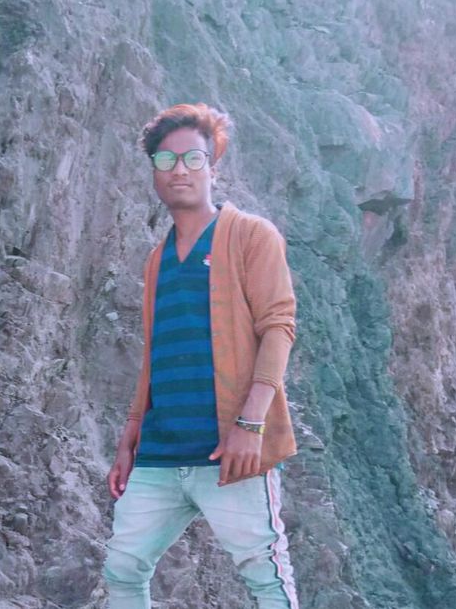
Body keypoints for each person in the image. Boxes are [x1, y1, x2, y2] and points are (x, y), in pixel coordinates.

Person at [103, 102, 299, 608]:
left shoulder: (250, 235)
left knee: (265, 575)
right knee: (122, 568)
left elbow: (278, 328)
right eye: (165, 160)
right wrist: (130, 437)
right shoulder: (157, 260)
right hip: (160, 452)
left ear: (213, 167)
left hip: (230, 447)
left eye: (193, 158)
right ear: (154, 172)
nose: (179, 170)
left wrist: (250, 424)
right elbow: (155, 355)